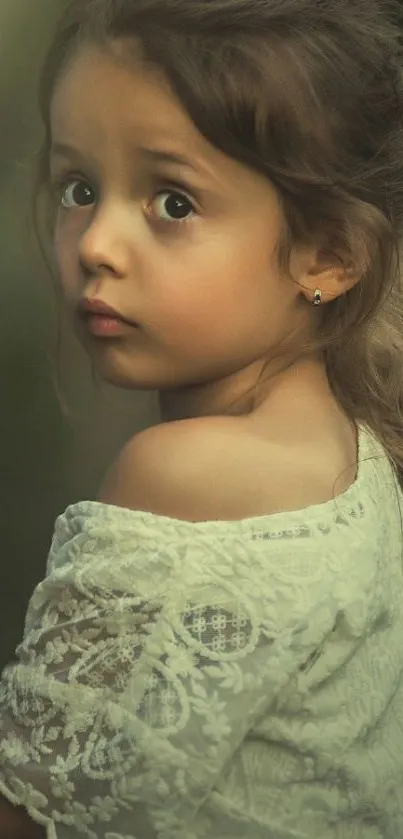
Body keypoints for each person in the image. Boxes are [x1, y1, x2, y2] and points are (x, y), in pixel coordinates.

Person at [2, 0, 403, 836]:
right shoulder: (352, 449)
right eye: (79, 188)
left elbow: (30, 813)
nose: (95, 244)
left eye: (172, 202)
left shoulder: (187, 474)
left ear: (326, 253)